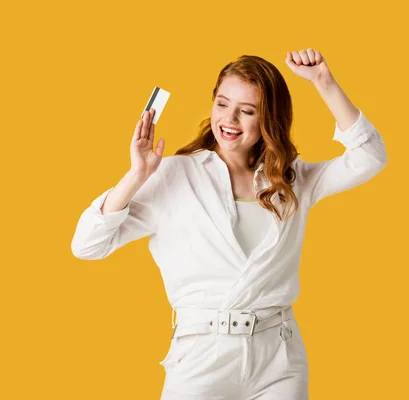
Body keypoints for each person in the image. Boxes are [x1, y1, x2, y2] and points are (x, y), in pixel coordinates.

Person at [71, 48, 388, 399]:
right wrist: (137, 175)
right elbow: (87, 245)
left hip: (279, 360)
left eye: (247, 110)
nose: (230, 119)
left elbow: (369, 157)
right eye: (222, 104)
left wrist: (323, 82)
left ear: (269, 120)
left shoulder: (292, 179)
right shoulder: (176, 175)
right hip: (200, 358)